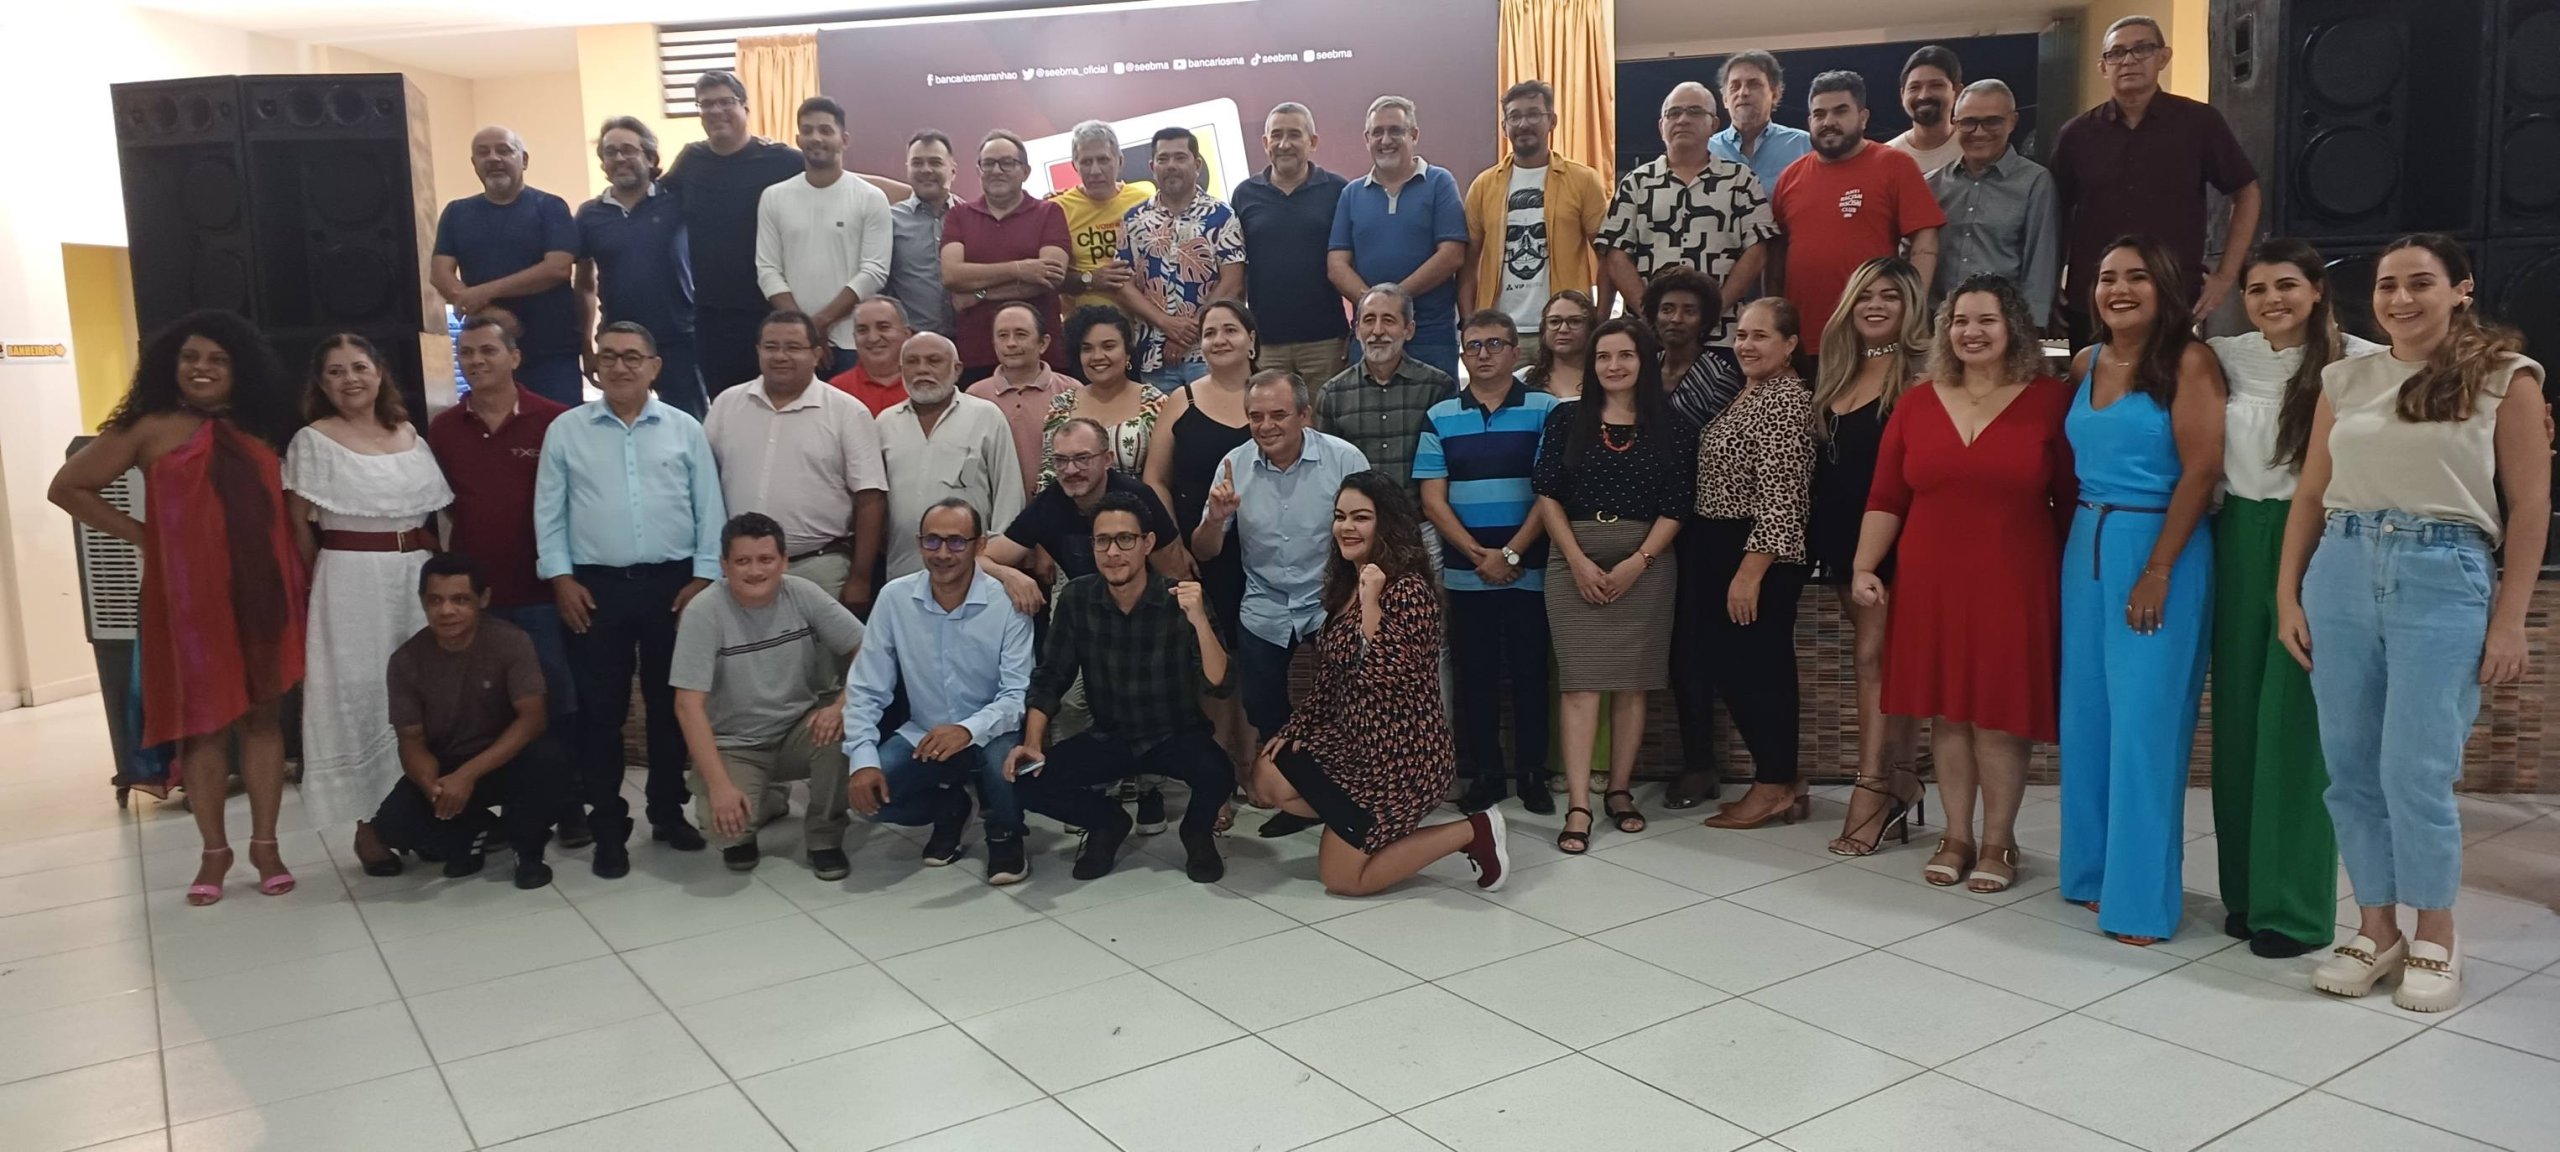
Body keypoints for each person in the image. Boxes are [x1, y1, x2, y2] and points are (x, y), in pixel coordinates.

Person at [2283, 233, 2547, 1012]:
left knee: (2417, 770)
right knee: (2352, 766)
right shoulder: (2347, 375)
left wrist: (2509, 621)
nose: (2400, 299)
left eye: (2420, 283)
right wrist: (2287, 594)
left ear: (2460, 289)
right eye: (2388, 285)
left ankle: (2436, 932)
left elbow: (2530, 505)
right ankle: (2375, 927)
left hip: (2445, 572)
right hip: (2342, 564)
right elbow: (2309, 492)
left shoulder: (2506, 377)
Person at [50, 311, 307, 905]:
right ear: (172, 363)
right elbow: (68, 486)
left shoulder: (267, 424)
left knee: (263, 720)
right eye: (191, 357)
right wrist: (141, 533)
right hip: (188, 603)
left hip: (265, 593)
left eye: (217, 359)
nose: (202, 368)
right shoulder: (148, 426)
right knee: (202, 726)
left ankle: (266, 845)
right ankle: (214, 852)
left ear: (238, 367)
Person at [1852, 274, 2075, 884]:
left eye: (1986, 321)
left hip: (2017, 577)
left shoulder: (2051, 401)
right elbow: (1886, 494)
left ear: (2013, 330)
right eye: (1960, 322)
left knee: (1999, 714)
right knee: (1948, 714)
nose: (1971, 333)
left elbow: (2070, 500)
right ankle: (1955, 836)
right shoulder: (1917, 402)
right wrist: (1865, 565)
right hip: (1930, 578)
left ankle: (2000, 843)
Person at [2207, 239, 2381, 956]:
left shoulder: (2364, 361)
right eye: (2256, 289)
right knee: (2240, 722)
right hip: (2236, 535)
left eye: (2286, 285)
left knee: (2296, 726)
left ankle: (2297, 910)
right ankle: (2247, 893)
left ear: (2315, 290)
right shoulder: (2224, 355)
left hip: (2317, 537)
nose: (2271, 299)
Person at [2059, 236, 2226, 946]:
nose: (2117, 289)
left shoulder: (2189, 361)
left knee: (2145, 728)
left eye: (2135, 277)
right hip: (2085, 544)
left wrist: (2157, 568)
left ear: (2164, 287)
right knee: (2089, 717)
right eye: (2105, 278)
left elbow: (2201, 469)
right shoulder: (2086, 361)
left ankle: (2142, 902)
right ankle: (2093, 874)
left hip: (2159, 548)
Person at [1245, 472, 1513, 894]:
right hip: (1354, 744)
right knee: (1269, 774)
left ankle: (1474, 829)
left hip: (1402, 761)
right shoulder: (1345, 584)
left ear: (1386, 523)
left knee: (1342, 879)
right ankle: (1366, 826)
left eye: (1361, 517)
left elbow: (1384, 674)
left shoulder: (1409, 591)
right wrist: (1294, 729)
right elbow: (1331, 677)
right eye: (1340, 516)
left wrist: (1372, 602)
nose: (1346, 527)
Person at [536, 321, 726, 877]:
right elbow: (548, 513)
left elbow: (709, 506)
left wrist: (704, 578)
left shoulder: (684, 427)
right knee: (602, 714)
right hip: (592, 590)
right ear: (594, 365)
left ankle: (668, 812)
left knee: (673, 708)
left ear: (654, 365)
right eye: (609, 356)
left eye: (632, 357)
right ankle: (609, 827)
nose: (620, 366)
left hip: (674, 588)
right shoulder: (567, 430)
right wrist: (561, 579)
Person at [283, 334, 454, 859]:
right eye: (335, 371)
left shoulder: (408, 435)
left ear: (379, 373)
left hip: (415, 579)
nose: (350, 379)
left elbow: (438, 516)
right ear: (321, 382)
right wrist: (330, 586)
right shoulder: (312, 441)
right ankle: (369, 827)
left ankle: (425, 818)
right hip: (351, 583)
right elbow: (298, 531)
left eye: (359, 366)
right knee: (361, 696)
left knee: (425, 696)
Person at [1009, 493, 1237, 881]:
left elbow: (1220, 683)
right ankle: (1106, 823)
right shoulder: (1078, 598)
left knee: (1219, 774)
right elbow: (1051, 676)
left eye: (1125, 540)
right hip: (1111, 735)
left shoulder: (1179, 599)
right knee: (1028, 782)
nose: (1113, 552)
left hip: (1175, 732)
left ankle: (1196, 831)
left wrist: (1198, 620)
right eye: (1102, 541)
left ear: (1147, 543)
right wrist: (1032, 743)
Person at [1534, 318, 1691, 853]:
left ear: (1645, 361)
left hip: (1644, 560)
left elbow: (1677, 506)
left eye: (1625, 356)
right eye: (1604, 357)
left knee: (1632, 683)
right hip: (1574, 554)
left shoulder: (1673, 426)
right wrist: (1575, 559)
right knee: (1579, 684)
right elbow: (1548, 494)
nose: (1614, 366)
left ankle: (1619, 790)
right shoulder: (1566, 419)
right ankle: (1579, 802)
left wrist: (1638, 562)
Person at [843, 499, 1036, 883]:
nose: (943, 553)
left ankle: (1005, 833)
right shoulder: (895, 598)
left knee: (1006, 763)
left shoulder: (1007, 603)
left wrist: (967, 730)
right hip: (924, 732)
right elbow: (866, 688)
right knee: (870, 798)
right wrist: (862, 758)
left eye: (956, 542)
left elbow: (1017, 696)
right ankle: (948, 808)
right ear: (918, 543)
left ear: (980, 545)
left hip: (993, 732)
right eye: (931, 542)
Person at [1808, 258, 1929, 854]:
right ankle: (1904, 777)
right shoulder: (1836, 373)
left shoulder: (1924, 376)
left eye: (1891, 296)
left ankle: (1873, 786)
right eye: (1865, 296)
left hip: (1904, 537)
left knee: (1872, 657)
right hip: (1842, 538)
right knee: (1887, 662)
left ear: (1911, 307)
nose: (1876, 306)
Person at [1418, 311, 1559, 814]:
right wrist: (1481, 554)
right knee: (1475, 679)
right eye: (1473, 345)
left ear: (1515, 352)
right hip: (1465, 572)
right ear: (1462, 353)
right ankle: (1486, 775)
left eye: (1494, 344)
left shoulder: (1546, 410)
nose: (1483, 353)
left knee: (1529, 675)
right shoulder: (1440, 416)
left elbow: (1550, 491)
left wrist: (1513, 552)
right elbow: (1434, 500)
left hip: (1531, 570)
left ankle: (1533, 775)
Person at [671, 514, 864, 879]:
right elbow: (687, 705)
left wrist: (840, 704)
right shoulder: (703, 612)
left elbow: (867, 648)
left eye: (766, 559)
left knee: (846, 726)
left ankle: (825, 837)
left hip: (798, 729)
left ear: (784, 561)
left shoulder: (802, 593)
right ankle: (763, 802)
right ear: (724, 565)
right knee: (724, 832)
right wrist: (720, 787)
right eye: (742, 561)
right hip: (734, 743)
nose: (755, 571)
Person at [1194, 369, 1373, 759]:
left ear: (1305, 415)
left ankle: (1339, 775)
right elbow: (1204, 551)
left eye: (1278, 415)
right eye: (1256, 417)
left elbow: (1373, 535)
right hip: (1266, 601)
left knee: (1353, 694)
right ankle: (1296, 780)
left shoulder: (1344, 459)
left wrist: (1357, 599)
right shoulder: (1233, 465)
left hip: (1331, 598)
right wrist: (1214, 518)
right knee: (1259, 704)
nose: (1266, 425)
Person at [1688, 300, 1819, 831]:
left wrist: (1750, 572)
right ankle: (1783, 779)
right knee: (1739, 667)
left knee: (1757, 671)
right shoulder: (1753, 390)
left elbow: (1783, 497)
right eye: (1741, 335)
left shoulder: (1787, 400)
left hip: (1753, 551)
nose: (1746, 345)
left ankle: (1773, 785)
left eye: (1760, 336)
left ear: (1790, 345)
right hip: (1724, 546)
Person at [366, 553, 572, 889]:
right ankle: (473, 833)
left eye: (460, 599)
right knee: (393, 823)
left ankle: (528, 850)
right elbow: (410, 740)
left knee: (550, 759)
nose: (447, 611)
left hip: (507, 759)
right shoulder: (405, 660)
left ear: (484, 599)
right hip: (447, 765)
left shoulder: (511, 642)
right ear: (423, 603)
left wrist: (468, 775)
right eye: (436, 600)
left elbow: (533, 720)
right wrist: (430, 785)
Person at [430, 312, 577, 777]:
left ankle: (567, 804)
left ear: (514, 357)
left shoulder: (555, 421)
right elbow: (450, 502)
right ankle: (508, 808)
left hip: (541, 590)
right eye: (466, 352)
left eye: (487, 350)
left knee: (554, 696)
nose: (475, 361)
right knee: (489, 706)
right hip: (479, 597)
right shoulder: (444, 428)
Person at [2052, 15, 2262, 337]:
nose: (2129, 60)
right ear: (2103, 66)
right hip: (2095, 299)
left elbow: (2245, 192)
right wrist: (2050, 281)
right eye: (2117, 53)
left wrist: (2225, 276)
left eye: (2142, 49)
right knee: (2093, 385)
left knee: (2173, 386)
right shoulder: (2077, 134)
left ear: (2163, 57)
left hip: (2174, 296)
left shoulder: (2199, 123)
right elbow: (2055, 213)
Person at [1145, 299, 1262, 779]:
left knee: (1255, 657)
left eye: (1230, 330)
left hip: (1264, 552)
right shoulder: (1182, 399)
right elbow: (1154, 479)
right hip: (1198, 551)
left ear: (1252, 340)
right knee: (1210, 660)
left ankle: (1251, 762)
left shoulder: (1273, 396)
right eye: (1210, 332)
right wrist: (1172, 544)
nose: (1218, 339)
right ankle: (1215, 771)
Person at [703, 310, 888, 610]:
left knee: (824, 657)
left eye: (793, 347)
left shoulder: (847, 412)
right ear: (758, 351)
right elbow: (704, 487)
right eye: (771, 347)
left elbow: (871, 499)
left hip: (820, 567)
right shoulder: (727, 404)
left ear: (816, 354)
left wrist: (861, 578)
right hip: (740, 570)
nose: (780, 356)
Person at [665, 71, 813, 396]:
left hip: (770, 311)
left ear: (745, 107)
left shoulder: (781, 159)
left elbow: (838, 181)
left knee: (781, 403)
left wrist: (907, 192)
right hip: (710, 317)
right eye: (706, 104)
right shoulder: (691, 160)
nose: (715, 111)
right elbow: (654, 201)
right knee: (724, 410)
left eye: (725, 102)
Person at [1772, 72, 1947, 347]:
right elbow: (1776, 255)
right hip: (1802, 339)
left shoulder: (1895, 165)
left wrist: (1912, 309)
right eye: (1819, 114)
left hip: (1870, 339)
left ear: (1863, 117)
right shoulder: (1789, 177)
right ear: (1809, 122)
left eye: (1840, 111)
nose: (1828, 122)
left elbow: (1925, 239)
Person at [1600, 82, 1777, 349]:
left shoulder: (1740, 180)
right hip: (1647, 339)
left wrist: (1712, 312)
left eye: (1694, 111)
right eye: (1674, 113)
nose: (1682, 119)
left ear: (1714, 123)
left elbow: (1757, 251)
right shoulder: (1636, 183)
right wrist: (1652, 316)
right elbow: (1616, 255)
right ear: (1661, 126)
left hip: (1721, 335)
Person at [433, 126, 584, 405]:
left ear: (523, 159)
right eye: (483, 152)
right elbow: (440, 274)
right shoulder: (456, 213)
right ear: (474, 163)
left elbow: (558, 268)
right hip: (487, 356)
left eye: (504, 150)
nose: (493, 158)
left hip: (550, 355)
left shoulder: (550, 207)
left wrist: (483, 293)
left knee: (559, 434)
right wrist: (489, 314)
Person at [1462, 80, 1610, 360]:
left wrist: (1598, 320)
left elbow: (1607, 257)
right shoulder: (1483, 186)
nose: (1523, 123)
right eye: (1514, 116)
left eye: (1533, 114)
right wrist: (1471, 325)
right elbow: (1468, 266)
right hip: (1499, 337)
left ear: (1552, 121)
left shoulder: (1583, 180)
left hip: (1563, 333)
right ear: (1505, 126)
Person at [1328, 96, 1470, 377]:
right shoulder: (1352, 193)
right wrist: (1378, 307)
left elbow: (1452, 254)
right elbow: (1336, 265)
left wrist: (1394, 300)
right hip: (1370, 336)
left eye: (1395, 131)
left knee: (1434, 418)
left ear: (1414, 135)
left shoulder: (1440, 182)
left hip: (1430, 336)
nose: (1386, 140)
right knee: (1366, 418)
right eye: (1377, 132)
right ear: (1367, 138)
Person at [577, 116, 705, 417]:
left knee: (689, 425)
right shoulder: (589, 215)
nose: (619, 158)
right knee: (622, 426)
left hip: (680, 339)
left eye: (628, 150)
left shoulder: (678, 201)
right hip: (618, 342)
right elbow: (583, 284)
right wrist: (586, 348)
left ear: (649, 157)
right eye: (610, 152)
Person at [754, 96, 894, 368]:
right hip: (794, 345)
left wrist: (819, 323)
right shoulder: (774, 197)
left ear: (844, 140)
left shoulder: (871, 197)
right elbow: (768, 270)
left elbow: (874, 271)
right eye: (807, 131)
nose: (815, 138)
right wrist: (803, 331)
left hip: (854, 342)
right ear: (797, 139)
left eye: (825, 130)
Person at [878, 332, 1027, 579]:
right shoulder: (884, 423)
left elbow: (1008, 495)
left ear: (957, 369)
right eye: (912, 362)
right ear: (901, 369)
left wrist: (995, 562)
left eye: (933, 360)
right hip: (902, 570)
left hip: (975, 572)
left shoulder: (986, 416)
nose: (922, 369)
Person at [1234, 102, 1352, 385]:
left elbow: (1354, 262)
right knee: (1270, 423)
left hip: (1326, 341)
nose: (1284, 144)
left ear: (1312, 142)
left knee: (1323, 426)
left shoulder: (1339, 190)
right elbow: (1235, 271)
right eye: (1276, 135)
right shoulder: (1244, 195)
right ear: (1265, 142)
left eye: (1294, 135)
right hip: (1266, 343)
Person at [942, 130, 1073, 383]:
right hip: (977, 355)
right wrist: (1021, 269)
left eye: (1007, 163)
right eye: (988, 163)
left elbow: (1049, 277)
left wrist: (979, 293)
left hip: (1042, 357)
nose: (997, 170)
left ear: (1025, 171)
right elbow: (951, 275)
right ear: (979, 170)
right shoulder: (959, 216)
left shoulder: (1049, 212)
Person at [1928, 80, 2060, 329]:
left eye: (1992, 121)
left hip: (2004, 326)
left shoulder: (2035, 182)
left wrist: (2031, 330)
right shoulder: (1932, 185)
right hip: (1940, 324)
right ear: (1954, 124)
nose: (1979, 132)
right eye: (1968, 122)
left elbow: (2040, 265)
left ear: (2012, 121)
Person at [1119, 127, 1246, 383]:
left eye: (1180, 157)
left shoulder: (1222, 216)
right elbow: (1122, 284)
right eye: (1163, 159)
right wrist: (1167, 324)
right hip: (1153, 357)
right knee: (1164, 424)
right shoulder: (1134, 219)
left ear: (1197, 163)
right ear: (1152, 166)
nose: (1171, 165)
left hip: (1210, 353)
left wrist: (1190, 331)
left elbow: (1233, 281)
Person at [1317, 284, 1456, 496]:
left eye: (1388, 320)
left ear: (1409, 330)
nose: (1378, 331)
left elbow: (1449, 465)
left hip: (1420, 519)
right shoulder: (1333, 394)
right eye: (1369, 320)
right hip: (1359, 520)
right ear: (1356, 329)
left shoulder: (1437, 387)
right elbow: (1326, 470)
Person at [1044, 306, 1168, 486]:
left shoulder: (1156, 403)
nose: (1097, 356)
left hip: (1138, 508)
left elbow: (1162, 480)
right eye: (1087, 349)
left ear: (1127, 352)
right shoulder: (1062, 405)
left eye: (1108, 346)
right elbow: (1048, 476)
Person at [968, 301, 1081, 496]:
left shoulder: (1071, 391)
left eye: (1021, 334)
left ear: (1043, 343)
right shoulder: (975, 395)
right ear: (993, 343)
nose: (1011, 343)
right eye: (1003, 335)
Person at [1049, 120, 1153, 317]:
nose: (1095, 171)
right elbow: (1050, 278)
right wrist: (1089, 279)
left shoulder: (1144, 201)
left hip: (1141, 325)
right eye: (1086, 162)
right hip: (1084, 328)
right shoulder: (1058, 209)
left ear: (1120, 161)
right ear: (1075, 166)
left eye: (1103, 160)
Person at [883, 130, 960, 340]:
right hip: (913, 346)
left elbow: (986, 288)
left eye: (935, 162)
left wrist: (978, 296)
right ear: (907, 169)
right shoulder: (889, 221)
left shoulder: (971, 218)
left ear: (952, 170)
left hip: (971, 341)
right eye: (917, 163)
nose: (926, 170)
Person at [1711, 51, 1816, 196]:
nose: (1743, 92)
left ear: (1775, 94)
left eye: (1754, 85)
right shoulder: (1706, 151)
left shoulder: (1804, 146)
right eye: (1735, 86)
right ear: (1725, 99)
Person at [827, 296, 918, 416]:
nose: (873, 338)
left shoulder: (925, 382)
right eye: (862, 330)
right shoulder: (836, 391)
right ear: (854, 338)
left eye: (883, 327)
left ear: (906, 334)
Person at [1885, 46, 1965, 174]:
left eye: (1936, 85)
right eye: (1914, 87)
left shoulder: (1972, 149)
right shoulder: (1886, 157)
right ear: (1902, 95)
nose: (1924, 95)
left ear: (1957, 92)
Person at [1523, 290, 1597, 399]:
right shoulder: (1522, 380)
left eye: (1574, 321)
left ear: (1590, 328)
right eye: (1554, 322)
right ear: (1544, 329)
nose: (1563, 329)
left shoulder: (1606, 378)